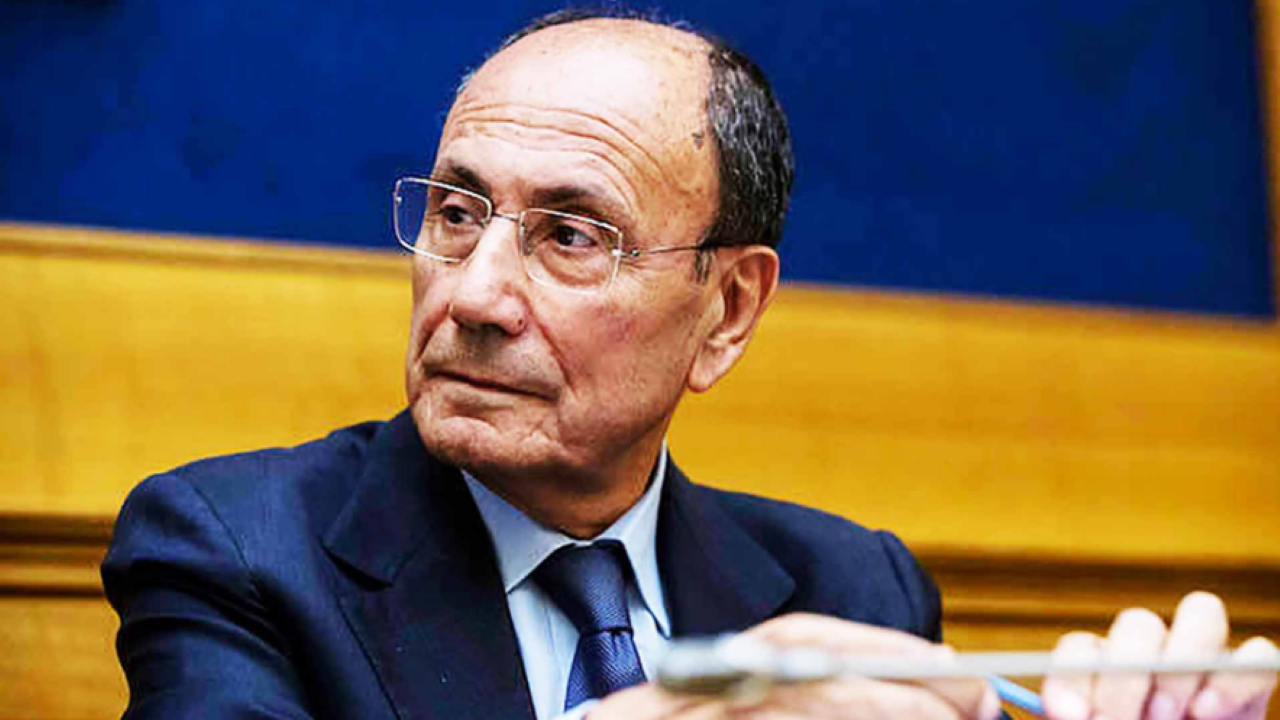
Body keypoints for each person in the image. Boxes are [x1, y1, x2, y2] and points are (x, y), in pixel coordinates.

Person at [101, 8, 1278, 720]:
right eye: (456, 214)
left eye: (571, 236)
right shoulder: (235, 553)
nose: (471, 295)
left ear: (725, 312)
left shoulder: (852, 591)